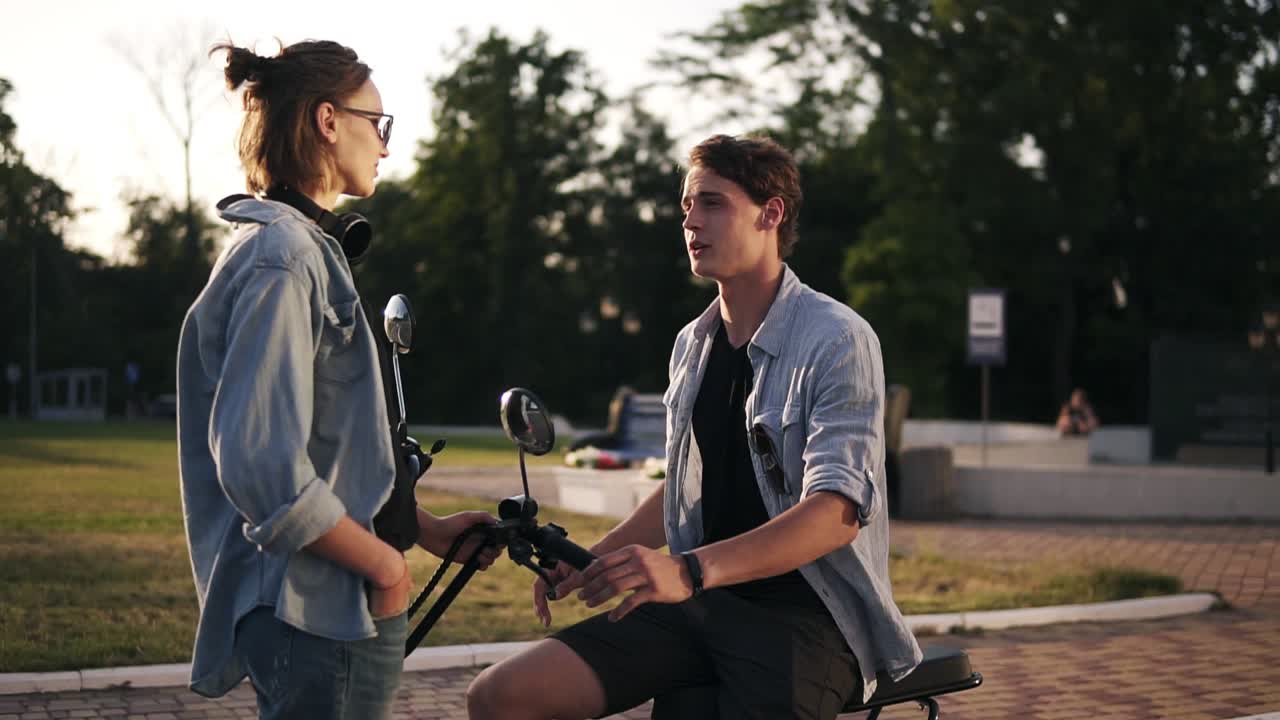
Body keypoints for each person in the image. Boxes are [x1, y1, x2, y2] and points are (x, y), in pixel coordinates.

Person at [466, 135, 922, 720]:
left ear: (771, 213)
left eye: (712, 203)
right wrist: (592, 560)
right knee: (500, 697)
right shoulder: (692, 344)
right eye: (686, 206)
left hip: (808, 619)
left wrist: (688, 569)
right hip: (699, 602)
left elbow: (835, 511)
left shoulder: (837, 338)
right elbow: (686, 484)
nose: (690, 222)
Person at [176, 40, 497, 719]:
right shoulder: (284, 257)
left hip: (325, 590)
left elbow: (324, 450)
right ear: (328, 120)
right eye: (376, 123)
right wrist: (385, 568)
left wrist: (425, 529)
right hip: (315, 602)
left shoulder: (291, 247)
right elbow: (261, 463)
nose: (385, 145)